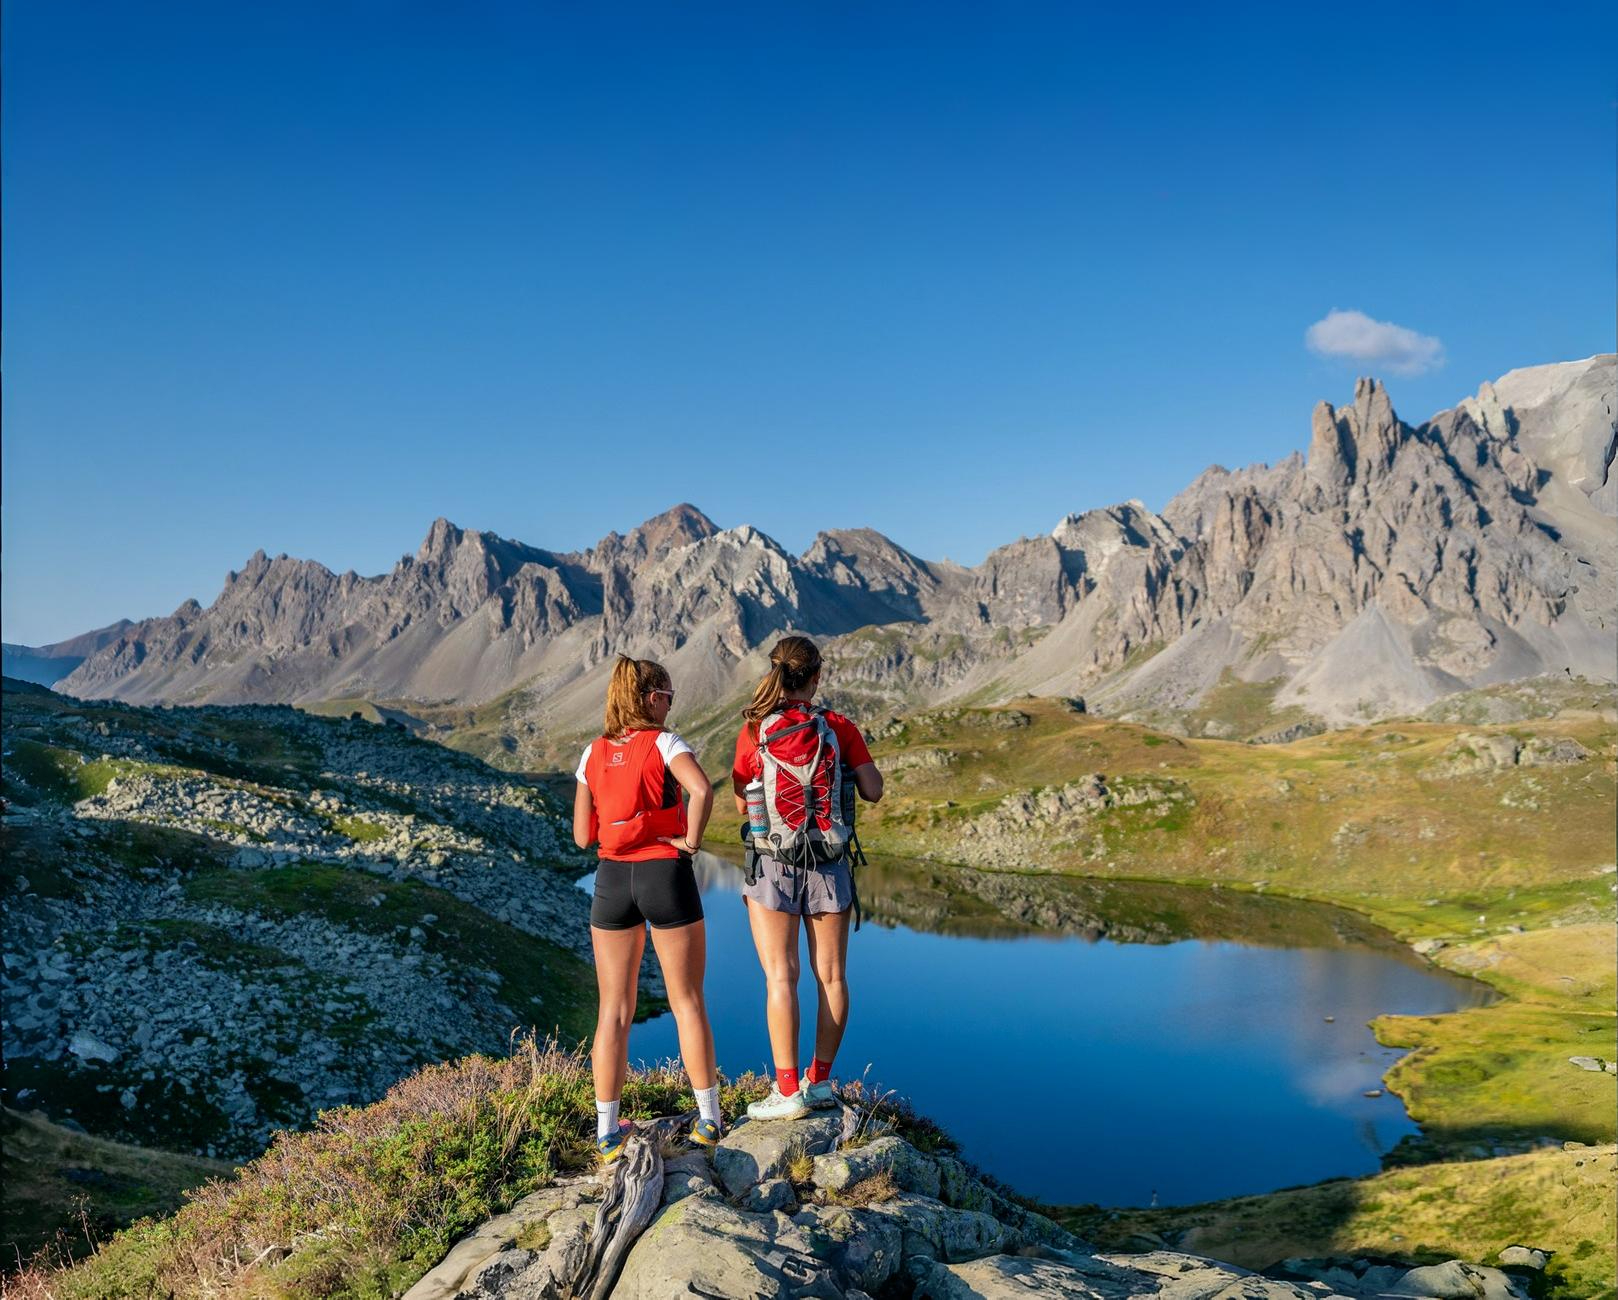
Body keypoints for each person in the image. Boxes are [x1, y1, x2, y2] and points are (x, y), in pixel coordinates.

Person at [731, 635, 883, 1120]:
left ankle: (786, 1091)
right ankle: (819, 1083)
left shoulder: (755, 729)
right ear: (816, 676)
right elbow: (874, 791)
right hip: (829, 862)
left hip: (773, 863)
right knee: (832, 976)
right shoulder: (838, 726)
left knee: (781, 976)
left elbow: (741, 802)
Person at [574, 655, 719, 1161]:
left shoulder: (591, 753)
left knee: (613, 1010)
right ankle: (708, 1121)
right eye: (668, 696)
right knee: (687, 1001)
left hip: (611, 880)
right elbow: (701, 788)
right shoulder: (664, 742)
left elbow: (580, 835)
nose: (670, 704)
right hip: (665, 872)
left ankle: (608, 1134)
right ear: (649, 697)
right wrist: (690, 840)